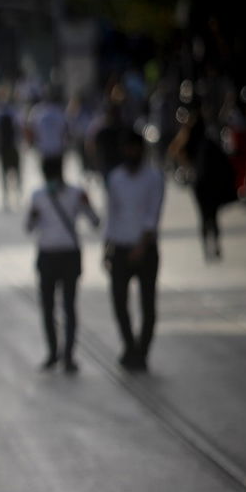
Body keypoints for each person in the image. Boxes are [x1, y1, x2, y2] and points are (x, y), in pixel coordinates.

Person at [26, 156, 100, 373]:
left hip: (69, 255)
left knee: (69, 306)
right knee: (48, 307)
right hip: (47, 255)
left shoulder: (77, 193)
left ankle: (68, 355)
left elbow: (95, 221)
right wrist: (32, 216)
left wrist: (87, 204)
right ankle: (52, 352)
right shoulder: (38, 196)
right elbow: (29, 227)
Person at [103, 131, 165, 372]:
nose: (131, 154)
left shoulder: (153, 178)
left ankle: (142, 351)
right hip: (120, 248)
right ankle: (129, 345)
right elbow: (111, 214)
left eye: (134, 149)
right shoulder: (116, 178)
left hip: (146, 249)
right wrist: (107, 247)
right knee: (119, 302)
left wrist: (141, 247)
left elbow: (153, 215)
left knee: (147, 304)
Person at [168, 112, 235, 260]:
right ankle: (214, 244)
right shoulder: (205, 139)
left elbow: (175, 151)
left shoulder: (190, 137)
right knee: (212, 215)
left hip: (200, 183)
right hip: (207, 182)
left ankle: (208, 246)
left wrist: (187, 167)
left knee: (204, 216)